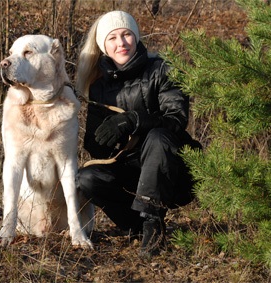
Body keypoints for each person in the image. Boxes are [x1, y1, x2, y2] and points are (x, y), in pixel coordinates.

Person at [75, 10, 202, 257]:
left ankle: (152, 223)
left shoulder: (162, 69)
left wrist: (133, 121)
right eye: (112, 38)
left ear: (136, 37)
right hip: (130, 171)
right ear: (103, 46)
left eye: (127, 35)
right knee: (86, 178)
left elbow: (176, 119)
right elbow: (94, 145)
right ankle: (137, 226)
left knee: (157, 138)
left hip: (173, 170)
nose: (121, 43)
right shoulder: (99, 86)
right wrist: (110, 137)